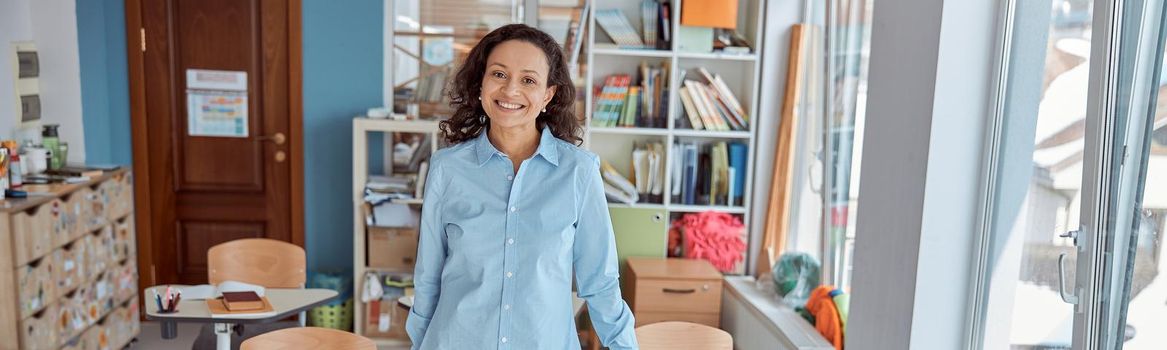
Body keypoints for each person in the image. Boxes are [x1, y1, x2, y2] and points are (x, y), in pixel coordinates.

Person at [405, 24, 639, 349]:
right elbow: (428, 278)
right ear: (481, 83)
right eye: (499, 74)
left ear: (547, 94)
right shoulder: (447, 169)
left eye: (528, 80)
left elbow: (600, 283)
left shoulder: (579, 173)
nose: (510, 90)